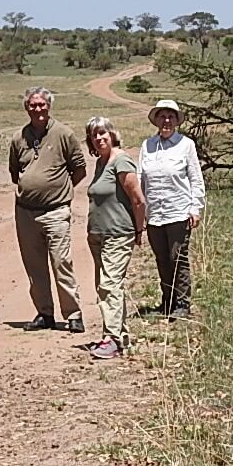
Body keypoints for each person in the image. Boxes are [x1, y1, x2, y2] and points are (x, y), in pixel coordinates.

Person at [8, 86, 89, 332]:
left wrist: (60, 191)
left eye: (41, 104)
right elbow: (15, 173)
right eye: (33, 105)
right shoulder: (18, 137)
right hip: (25, 212)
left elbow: (79, 169)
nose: (37, 109)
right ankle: (45, 313)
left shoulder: (64, 133)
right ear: (26, 107)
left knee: (61, 262)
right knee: (34, 266)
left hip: (56, 211)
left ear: (49, 106)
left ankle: (73, 314)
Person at [83, 116, 145, 359]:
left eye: (102, 133)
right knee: (107, 287)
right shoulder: (101, 163)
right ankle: (122, 335)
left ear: (112, 134)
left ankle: (111, 339)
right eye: (93, 135)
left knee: (109, 285)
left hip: (118, 233)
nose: (99, 138)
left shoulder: (121, 161)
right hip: (98, 234)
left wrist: (139, 231)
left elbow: (138, 199)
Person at [141, 99, 205, 320]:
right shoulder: (147, 146)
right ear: (156, 120)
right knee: (161, 258)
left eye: (170, 116)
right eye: (162, 116)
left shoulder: (186, 145)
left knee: (177, 257)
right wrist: (140, 212)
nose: (166, 121)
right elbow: (142, 179)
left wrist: (195, 207)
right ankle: (166, 301)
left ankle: (182, 303)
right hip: (154, 214)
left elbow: (196, 179)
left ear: (177, 121)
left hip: (178, 210)